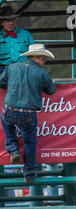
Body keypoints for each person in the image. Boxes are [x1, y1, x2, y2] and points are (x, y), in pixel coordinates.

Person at [0, 44, 56, 184]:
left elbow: (1, 82)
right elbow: (51, 90)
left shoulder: (12, 67)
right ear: (40, 58)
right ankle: (29, 173)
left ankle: (13, 150)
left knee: (6, 121)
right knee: (29, 142)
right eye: (44, 59)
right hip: (28, 113)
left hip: (10, 109)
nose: (44, 61)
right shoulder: (42, 74)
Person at [0, 5, 35, 73]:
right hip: (3, 69)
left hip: (23, 69)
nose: (11, 23)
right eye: (7, 21)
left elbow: (34, 53)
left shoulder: (25, 34)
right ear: (1, 23)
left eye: (12, 20)